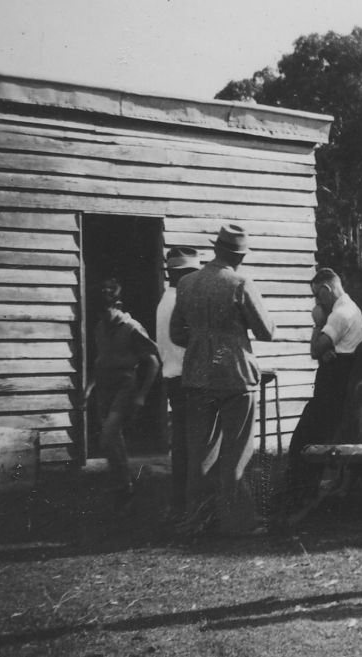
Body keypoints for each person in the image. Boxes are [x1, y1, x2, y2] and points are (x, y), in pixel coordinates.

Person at [170, 223, 276, 536]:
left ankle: (198, 521)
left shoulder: (187, 283)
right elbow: (266, 331)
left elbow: (177, 333)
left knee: (200, 452)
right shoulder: (240, 282)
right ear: (239, 256)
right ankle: (238, 523)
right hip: (236, 375)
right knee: (237, 452)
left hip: (197, 376)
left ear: (215, 248)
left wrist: (203, 343)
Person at [85, 276, 160, 513]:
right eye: (100, 313)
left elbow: (153, 361)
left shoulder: (131, 328)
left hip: (125, 385)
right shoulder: (100, 327)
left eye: (108, 311)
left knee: (107, 436)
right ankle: (123, 489)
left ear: (117, 306)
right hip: (104, 387)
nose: (105, 317)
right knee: (113, 440)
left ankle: (123, 487)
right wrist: (89, 387)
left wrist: (141, 395)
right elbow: (101, 360)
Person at [288, 268, 362, 455]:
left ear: (326, 289)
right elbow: (324, 350)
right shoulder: (350, 308)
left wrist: (317, 323)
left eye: (317, 295)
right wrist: (326, 353)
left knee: (305, 439)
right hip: (340, 377)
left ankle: (301, 480)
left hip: (334, 383)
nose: (317, 301)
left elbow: (315, 350)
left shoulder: (341, 314)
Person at [155, 246, 200, 515]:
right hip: (186, 378)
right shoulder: (180, 301)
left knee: (183, 444)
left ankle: (181, 502)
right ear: (181, 274)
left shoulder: (166, 299)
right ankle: (189, 505)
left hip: (174, 378)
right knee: (191, 446)